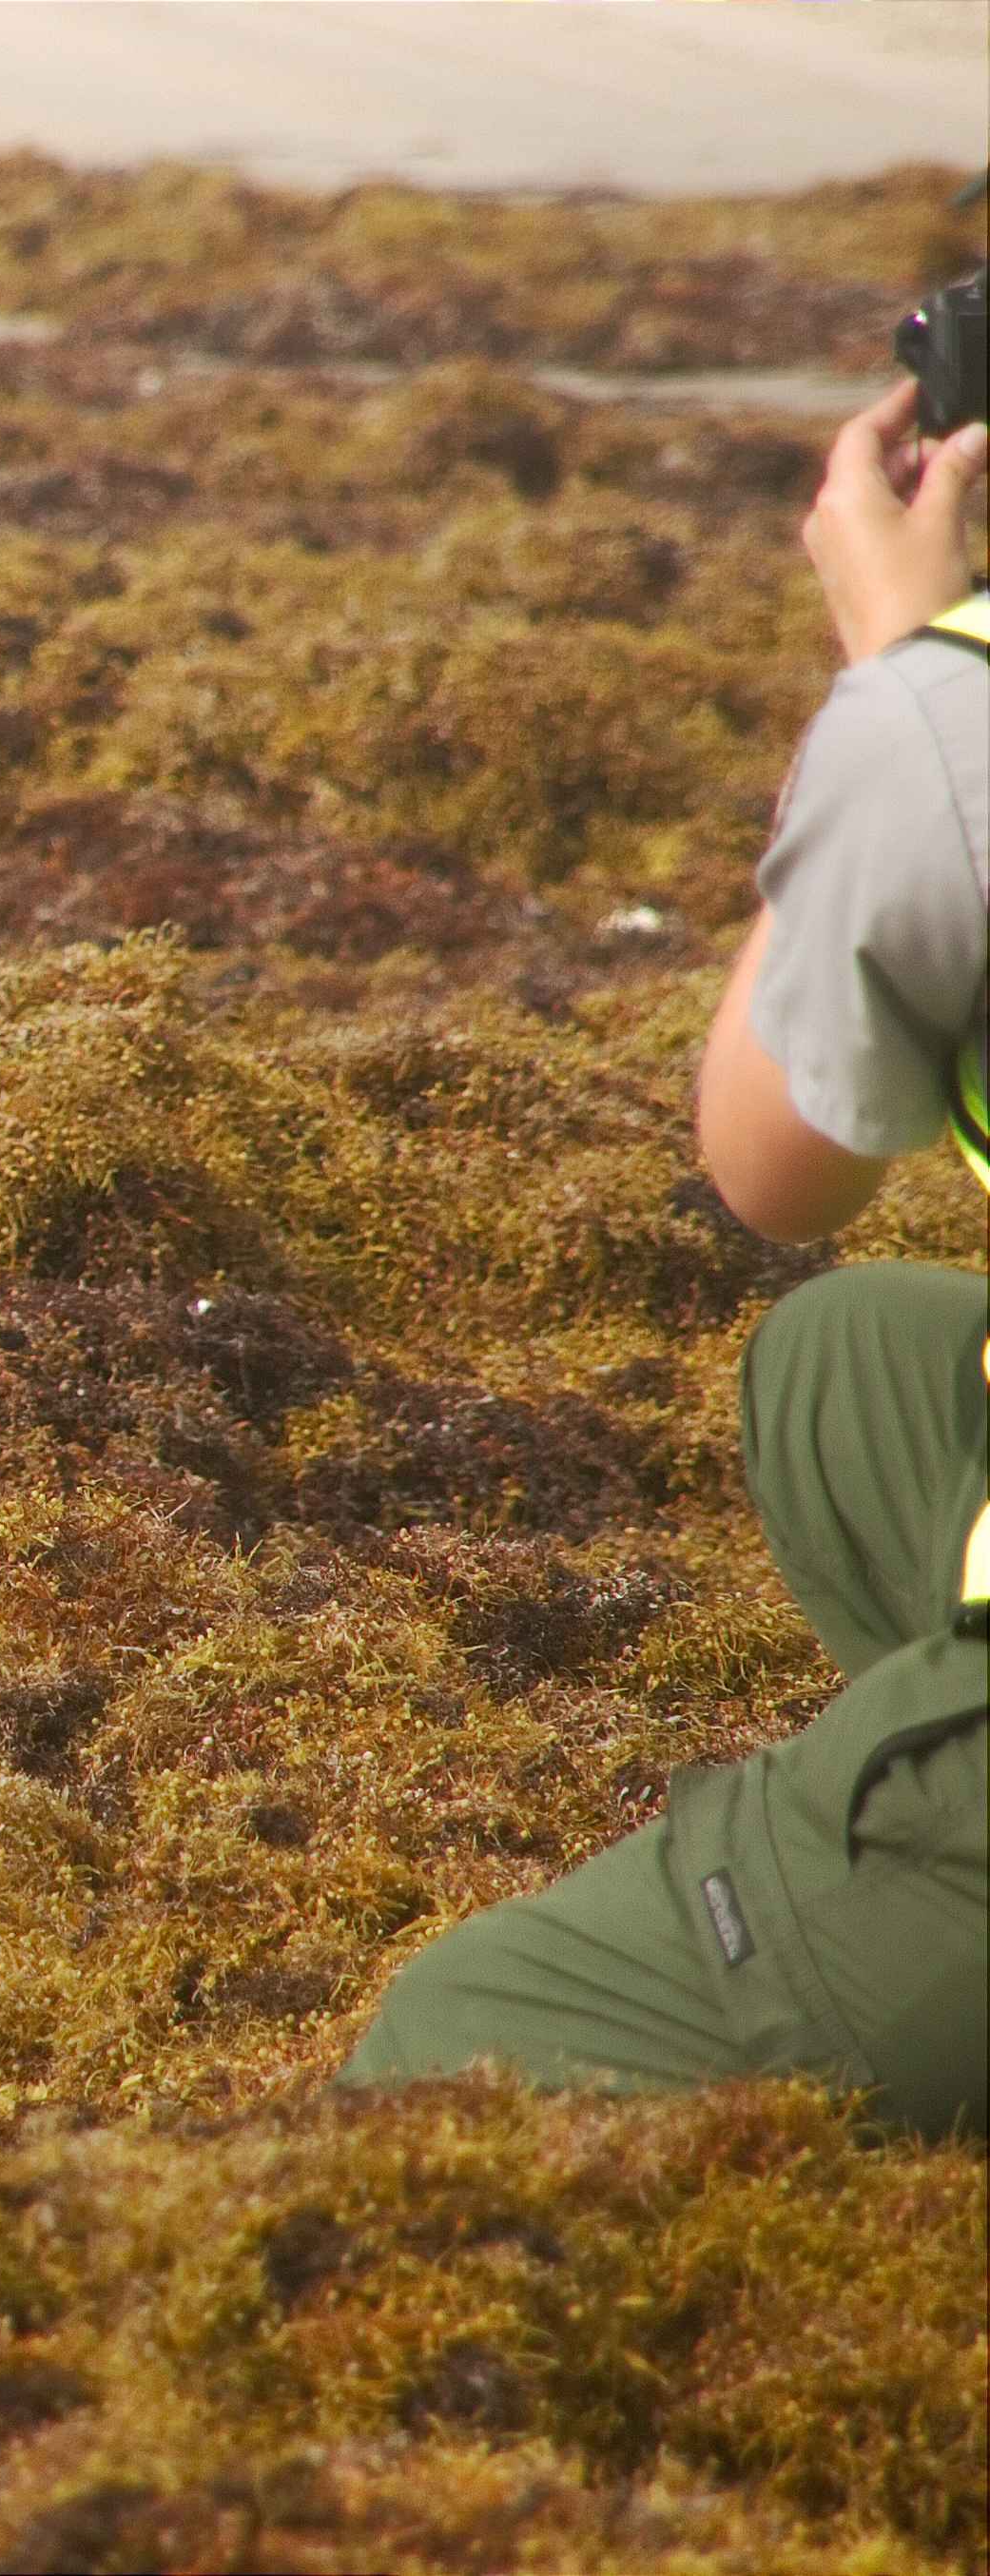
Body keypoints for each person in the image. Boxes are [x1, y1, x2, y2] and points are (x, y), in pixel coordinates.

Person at [339, 379, 989, 2139]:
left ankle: (913, 1898)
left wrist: (892, 684)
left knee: (452, 2051)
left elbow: (771, 1168)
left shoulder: (957, 712)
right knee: (844, 1372)